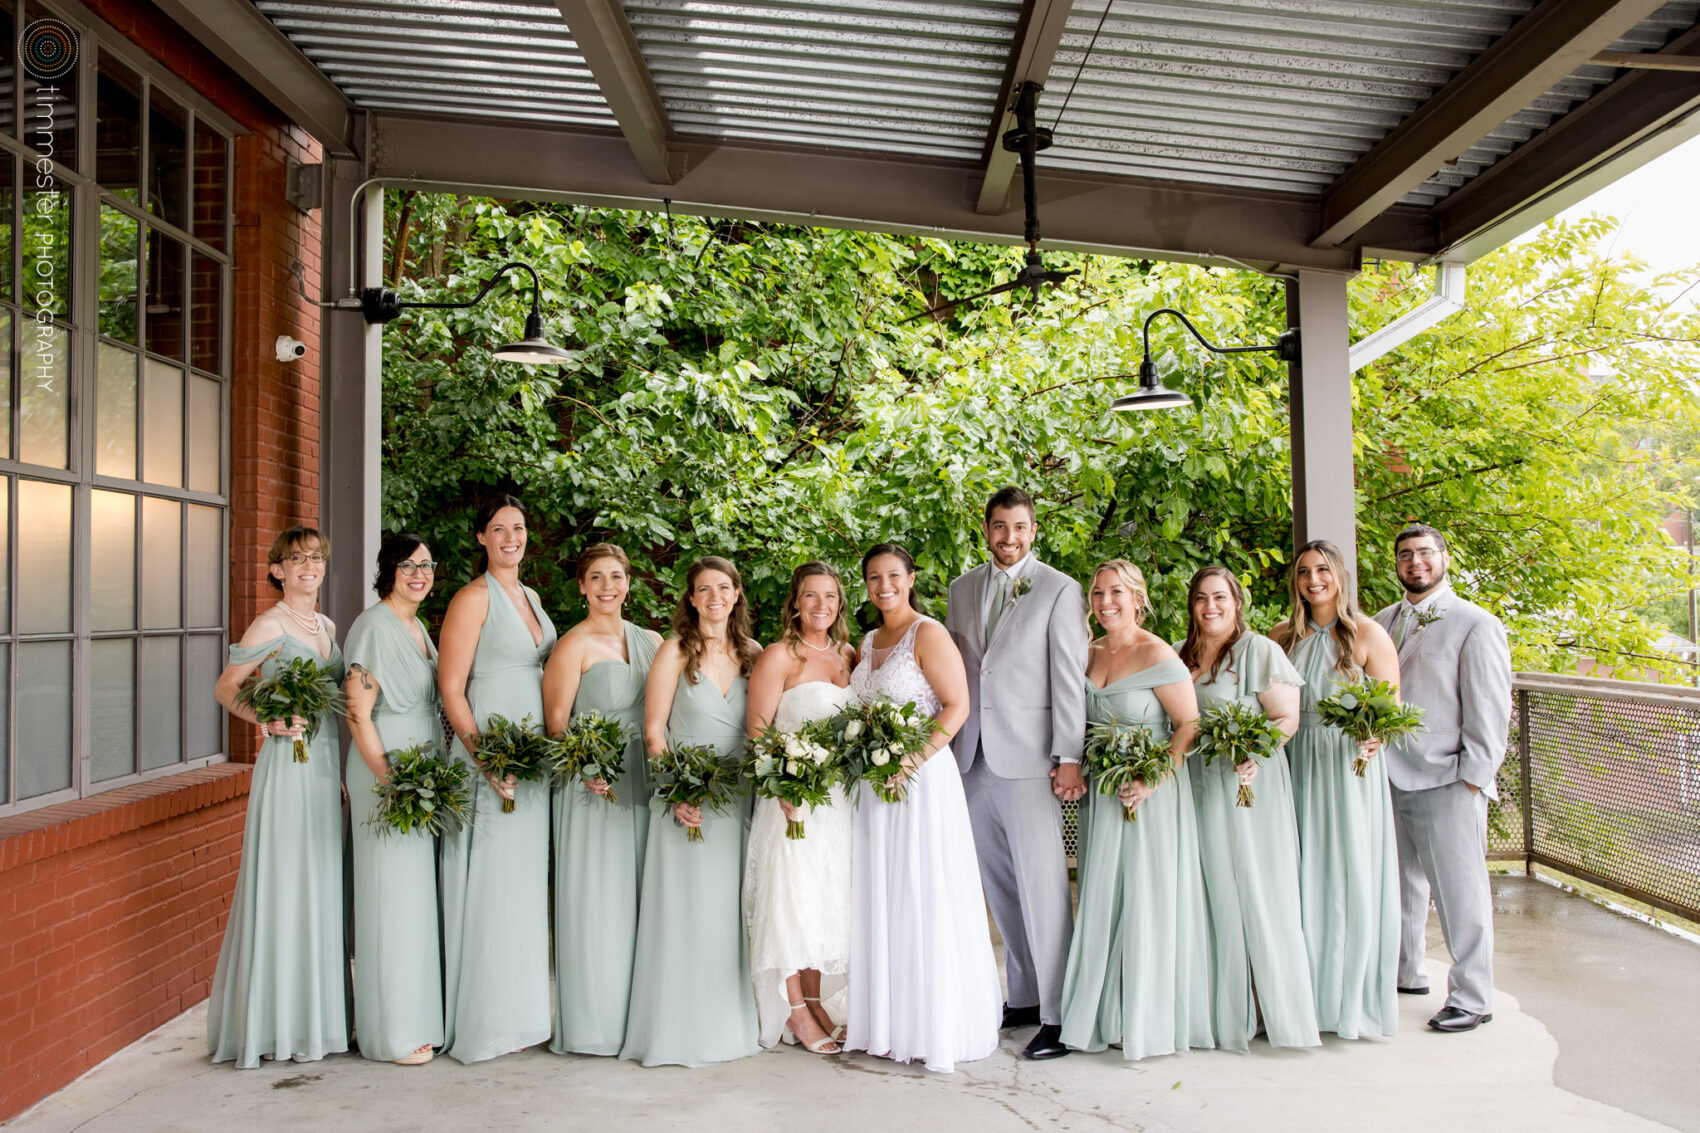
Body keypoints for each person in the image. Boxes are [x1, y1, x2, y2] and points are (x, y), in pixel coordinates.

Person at [944, 487, 1089, 1061]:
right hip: (971, 757)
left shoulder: (1059, 589)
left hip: (1032, 761)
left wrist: (1068, 755)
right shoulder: (961, 590)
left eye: (1020, 528)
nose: (1010, 538)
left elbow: (1069, 678)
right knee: (999, 888)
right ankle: (1024, 996)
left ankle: (1059, 1013)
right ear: (986, 528)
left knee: (1044, 889)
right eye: (1000, 527)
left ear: (1035, 530)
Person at [847, 543, 1001, 1074]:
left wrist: (909, 760)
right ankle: (887, 1023)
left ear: (911, 578)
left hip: (919, 781)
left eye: (893, 575)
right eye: (873, 577)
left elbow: (957, 706)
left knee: (922, 892)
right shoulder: (866, 642)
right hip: (873, 788)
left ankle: (928, 1023)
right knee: (883, 896)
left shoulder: (929, 633)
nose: (883, 585)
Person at [1059, 560, 1216, 1060]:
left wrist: (1150, 780)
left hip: (1149, 796)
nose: (1106, 602)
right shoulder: (1084, 654)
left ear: (1137, 597)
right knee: (1103, 897)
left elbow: (1188, 727)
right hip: (1102, 798)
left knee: (1146, 897)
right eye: (1098, 593)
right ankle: (1103, 1010)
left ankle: (1145, 1013)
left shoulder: (1159, 655)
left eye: (1117, 593)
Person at [208, 526, 347, 1067]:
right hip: (287, 769)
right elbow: (227, 686)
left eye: (315, 558)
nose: (308, 566)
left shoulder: (327, 625)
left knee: (317, 882)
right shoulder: (269, 623)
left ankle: (315, 1019)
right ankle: (276, 1024)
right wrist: (264, 718)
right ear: (278, 570)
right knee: (287, 881)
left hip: (322, 766)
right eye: (296, 559)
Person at [1372, 524, 1512, 1033]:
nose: (1415, 562)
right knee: (1399, 885)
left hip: (1449, 778)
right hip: (1389, 775)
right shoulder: (1382, 622)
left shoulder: (1475, 624)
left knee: (1460, 892)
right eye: (1405, 554)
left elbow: (1491, 709)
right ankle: (1408, 972)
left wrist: (1473, 779)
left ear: (1444, 558)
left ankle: (1473, 996)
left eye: (1425, 553)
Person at [621, 557, 761, 1067]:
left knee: (728, 912)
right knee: (684, 910)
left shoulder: (754, 654)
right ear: (692, 598)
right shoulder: (674, 651)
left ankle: (729, 1026)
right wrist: (676, 790)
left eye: (724, 588)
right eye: (705, 589)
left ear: (737, 594)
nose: (715, 597)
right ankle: (676, 1029)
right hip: (686, 799)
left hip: (737, 798)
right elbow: (654, 731)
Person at [436, 495, 558, 1064]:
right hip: (490, 757)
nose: (512, 537)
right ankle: (485, 1019)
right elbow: (451, 688)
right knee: (490, 880)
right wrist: (485, 758)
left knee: (523, 884)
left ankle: (522, 1014)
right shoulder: (472, 598)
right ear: (481, 538)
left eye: (519, 526)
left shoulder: (531, 597)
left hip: (529, 761)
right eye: (499, 529)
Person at [1181, 566, 1320, 1051]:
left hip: (1245, 789)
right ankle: (1221, 1006)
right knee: (1210, 888)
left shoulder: (1260, 650)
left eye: (1220, 597)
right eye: (1201, 598)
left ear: (1237, 603)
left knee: (1253, 887)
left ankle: (1267, 1007)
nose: (1210, 607)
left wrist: (1253, 755)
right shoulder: (1185, 655)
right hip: (1195, 785)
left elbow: (1287, 717)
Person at [1273, 540, 1402, 1040]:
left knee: (1346, 878)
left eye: (1322, 570)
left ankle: (1347, 1001)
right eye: (1304, 572)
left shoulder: (1369, 635)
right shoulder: (1282, 637)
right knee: (1299, 875)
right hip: (1296, 761)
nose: (1313, 580)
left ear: (1339, 576)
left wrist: (1375, 736)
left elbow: (1389, 712)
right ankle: (1301, 997)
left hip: (1348, 770)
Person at [543, 543, 662, 1057]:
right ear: (583, 587)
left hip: (645, 779)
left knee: (642, 899)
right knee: (598, 899)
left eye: (617, 576)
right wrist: (588, 766)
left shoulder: (652, 640)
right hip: (594, 783)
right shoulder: (572, 645)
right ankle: (596, 1025)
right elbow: (555, 723)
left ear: (628, 584)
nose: (607, 586)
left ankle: (640, 1018)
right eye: (597, 577)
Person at [743, 562, 857, 1054]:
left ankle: (815, 1001)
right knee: (788, 902)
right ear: (794, 602)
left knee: (821, 902)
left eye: (829, 597)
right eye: (810, 596)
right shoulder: (778, 656)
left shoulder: (849, 654)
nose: (820, 606)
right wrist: (781, 784)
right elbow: (757, 731)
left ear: (840, 604)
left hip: (836, 805)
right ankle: (793, 1012)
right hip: (791, 799)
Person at [342, 534, 446, 1066]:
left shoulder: (418, 627)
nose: (419, 574)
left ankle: (416, 1016)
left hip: (421, 772)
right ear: (387, 569)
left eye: (426, 565)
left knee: (413, 901)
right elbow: (358, 712)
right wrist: (387, 778)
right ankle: (390, 1033)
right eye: (407, 565)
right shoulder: (373, 625)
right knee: (389, 899)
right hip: (389, 772)